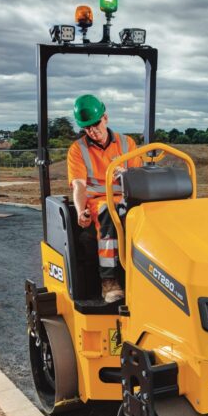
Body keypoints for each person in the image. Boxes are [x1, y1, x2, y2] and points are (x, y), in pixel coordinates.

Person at [66, 94, 140, 303]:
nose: (92, 131)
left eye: (95, 124)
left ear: (105, 118)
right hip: (99, 201)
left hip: (128, 198)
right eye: (86, 127)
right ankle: (109, 282)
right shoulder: (77, 150)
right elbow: (79, 185)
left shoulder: (127, 143)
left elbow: (140, 177)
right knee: (109, 211)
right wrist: (81, 211)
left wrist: (125, 175)